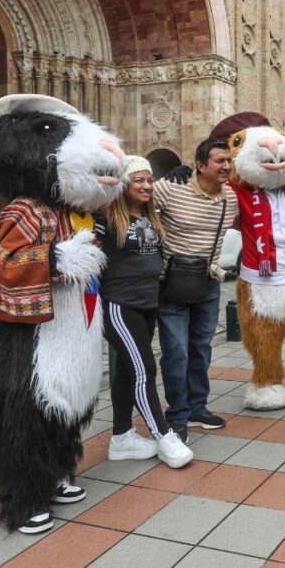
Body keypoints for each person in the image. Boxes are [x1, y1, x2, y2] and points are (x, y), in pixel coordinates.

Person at [97, 156, 193, 468]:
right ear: (123, 183)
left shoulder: (150, 216)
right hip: (119, 305)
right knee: (145, 370)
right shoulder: (106, 217)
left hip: (148, 303)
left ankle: (122, 437)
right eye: (138, 180)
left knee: (126, 372)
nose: (146, 186)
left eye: (149, 180)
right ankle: (163, 436)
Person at [153, 138, 239, 443]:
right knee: (175, 351)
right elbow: (136, 200)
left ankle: (197, 407)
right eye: (219, 161)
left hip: (208, 283)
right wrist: (164, 177)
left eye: (229, 161)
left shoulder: (231, 198)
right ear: (200, 165)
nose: (227, 166)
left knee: (201, 349)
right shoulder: (171, 189)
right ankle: (176, 415)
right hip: (172, 284)